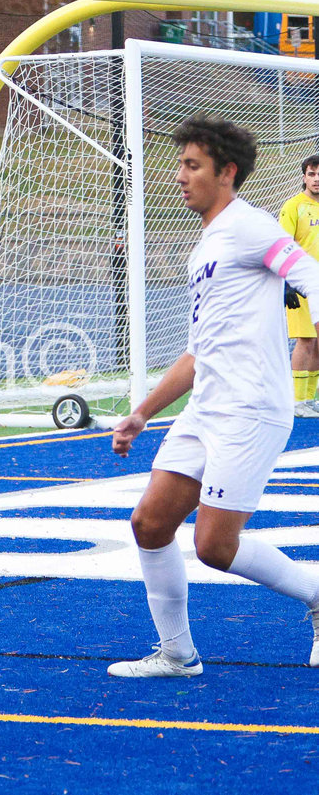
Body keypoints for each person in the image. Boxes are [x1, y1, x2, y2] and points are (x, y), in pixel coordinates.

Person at [108, 114, 319, 678]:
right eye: (181, 164)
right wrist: (142, 413)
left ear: (226, 172)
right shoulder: (206, 244)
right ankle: (177, 656)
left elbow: (308, 273)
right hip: (208, 408)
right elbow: (198, 354)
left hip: (250, 410)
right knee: (150, 524)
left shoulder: (250, 227)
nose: (180, 175)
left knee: (214, 548)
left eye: (192, 165)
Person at [279, 154, 319, 417]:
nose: (317, 179)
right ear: (304, 176)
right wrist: (286, 283)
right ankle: (295, 401)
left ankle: (309, 398)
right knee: (306, 340)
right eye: (312, 174)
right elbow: (281, 245)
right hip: (302, 285)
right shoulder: (293, 206)